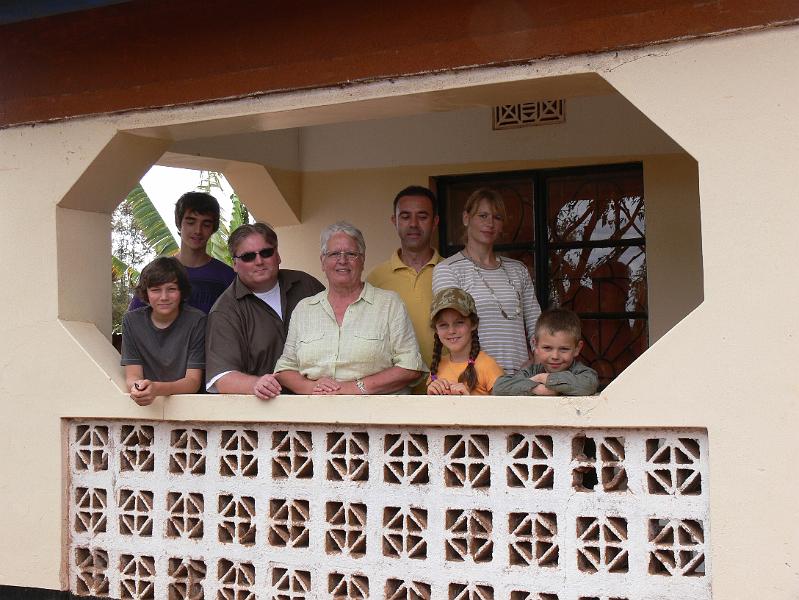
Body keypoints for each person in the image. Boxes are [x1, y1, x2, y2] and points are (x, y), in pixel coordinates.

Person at [274, 222, 426, 395]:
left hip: (375, 409)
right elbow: (284, 368)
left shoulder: (389, 304)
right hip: (317, 408)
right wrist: (312, 388)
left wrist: (352, 388)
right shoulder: (304, 309)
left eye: (351, 254)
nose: (342, 260)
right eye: (334, 254)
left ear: (362, 260)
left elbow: (411, 366)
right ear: (323, 261)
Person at [205, 222, 324, 399]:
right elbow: (222, 378)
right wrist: (257, 383)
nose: (259, 261)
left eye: (266, 252)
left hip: (323, 400)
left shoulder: (306, 285)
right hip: (266, 407)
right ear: (235, 264)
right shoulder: (225, 311)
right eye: (248, 257)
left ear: (278, 255)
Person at [433, 188, 540, 374]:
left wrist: (536, 361)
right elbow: (450, 330)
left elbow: (536, 325)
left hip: (520, 377)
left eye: (497, 217)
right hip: (474, 378)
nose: (490, 223)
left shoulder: (518, 270)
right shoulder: (448, 269)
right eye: (482, 216)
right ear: (466, 218)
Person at [367, 185, 442, 368]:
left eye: (422, 217)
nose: (413, 224)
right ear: (395, 221)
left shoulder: (452, 272)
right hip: (395, 383)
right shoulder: (375, 279)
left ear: (435, 222)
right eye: (405, 217)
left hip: (449, 381)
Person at [129, 191, 235, 314]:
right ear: (179, 224)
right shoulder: (156, 272)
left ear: (213, 228)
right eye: (191, 222)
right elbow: (134, 319)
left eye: (206, 224)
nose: (198, 230)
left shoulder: (227, 276)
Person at [121, 257, 206, 406]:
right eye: (155, 290)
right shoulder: (131, 321)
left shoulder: (197, 320)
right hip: (145, 407)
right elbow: (132, 376)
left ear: (181, 291)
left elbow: (193, 382)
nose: (164, 297)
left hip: (188, 405)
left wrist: (157, 389)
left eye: (171, 289)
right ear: (146, 293)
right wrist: (139, 388)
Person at [493, 308, 598, 396]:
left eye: (564, 349)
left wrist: (544, 378)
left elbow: (589, 385)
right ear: (535, 345)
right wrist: (537, 388)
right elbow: (500, 386)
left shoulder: (582, 373)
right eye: (547, 348)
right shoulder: (531, 372)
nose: (555, 356)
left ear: (577, 349)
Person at [426, 288, 504, 396]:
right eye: (443, 325)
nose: (451, 331)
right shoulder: (437, 366)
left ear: (473, 324)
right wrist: (430, 396)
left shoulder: (488, 366)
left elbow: (505, 406)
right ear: (436, 330)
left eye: (459, 322)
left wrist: (468, 400)